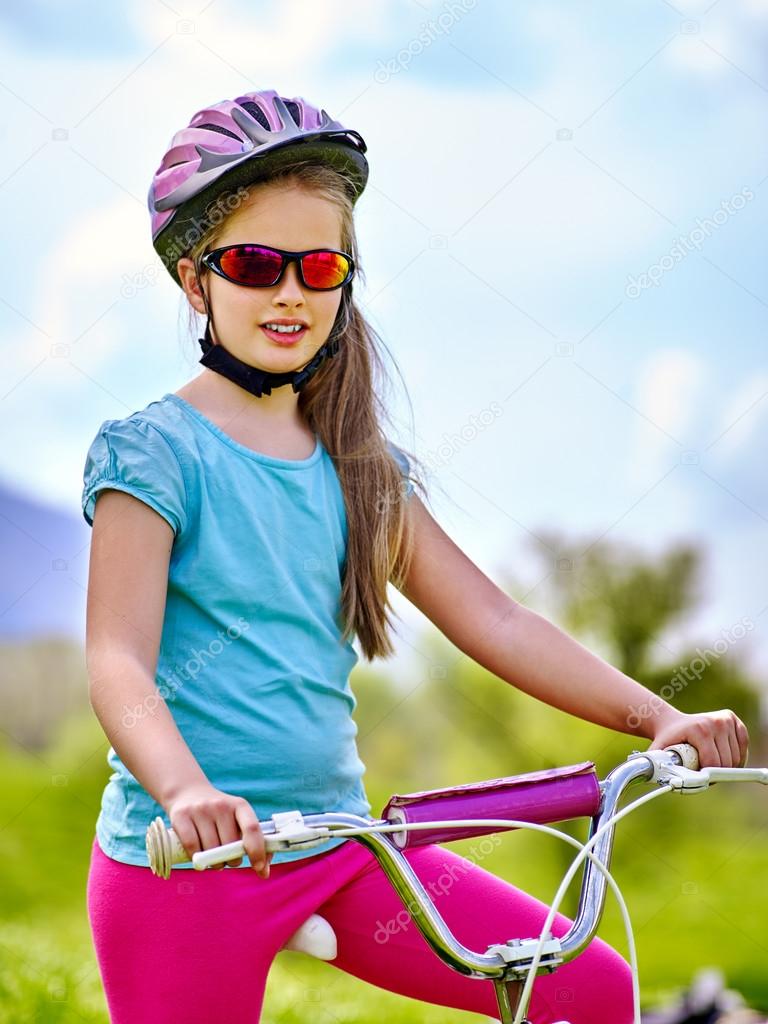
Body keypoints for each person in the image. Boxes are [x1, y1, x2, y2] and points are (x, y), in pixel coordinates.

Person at [82, 89, 749, 1024]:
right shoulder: (153, 454)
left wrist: (658, 717)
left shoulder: (362, 470)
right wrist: (186, 790)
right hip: (192, 864)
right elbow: (116, 659)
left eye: (319, 267)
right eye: (255, 264)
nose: (290, 292)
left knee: (595, 989)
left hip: (342, 846)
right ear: (196, 282)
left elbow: (498, 620)